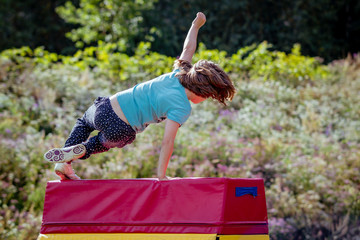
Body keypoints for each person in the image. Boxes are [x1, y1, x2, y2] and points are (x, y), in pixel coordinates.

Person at [44, 12, 236, 180]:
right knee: (112, 140)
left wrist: (195, 25)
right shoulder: (182, 107)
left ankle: (65, 159)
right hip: (121, 128)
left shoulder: (178, 73)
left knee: (84, 123)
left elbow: (188, 49)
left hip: (104, 108)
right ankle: (84, 150)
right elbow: (167, 141)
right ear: (204, 92)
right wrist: (161, 175)